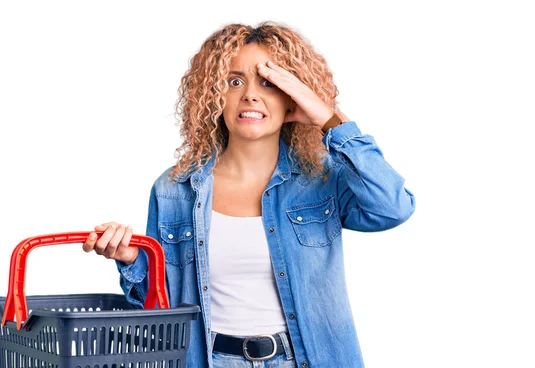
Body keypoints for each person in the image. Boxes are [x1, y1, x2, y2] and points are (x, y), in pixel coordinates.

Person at [83, 21, 415, 368]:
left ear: (292, 96)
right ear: (215, 95)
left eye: (269, 82)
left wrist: (328, 119)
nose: (251, 95)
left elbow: (393, 207)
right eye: (234, 81)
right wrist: (130, 259)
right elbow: (159, 309)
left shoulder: (321, 179)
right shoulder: (174, 189)